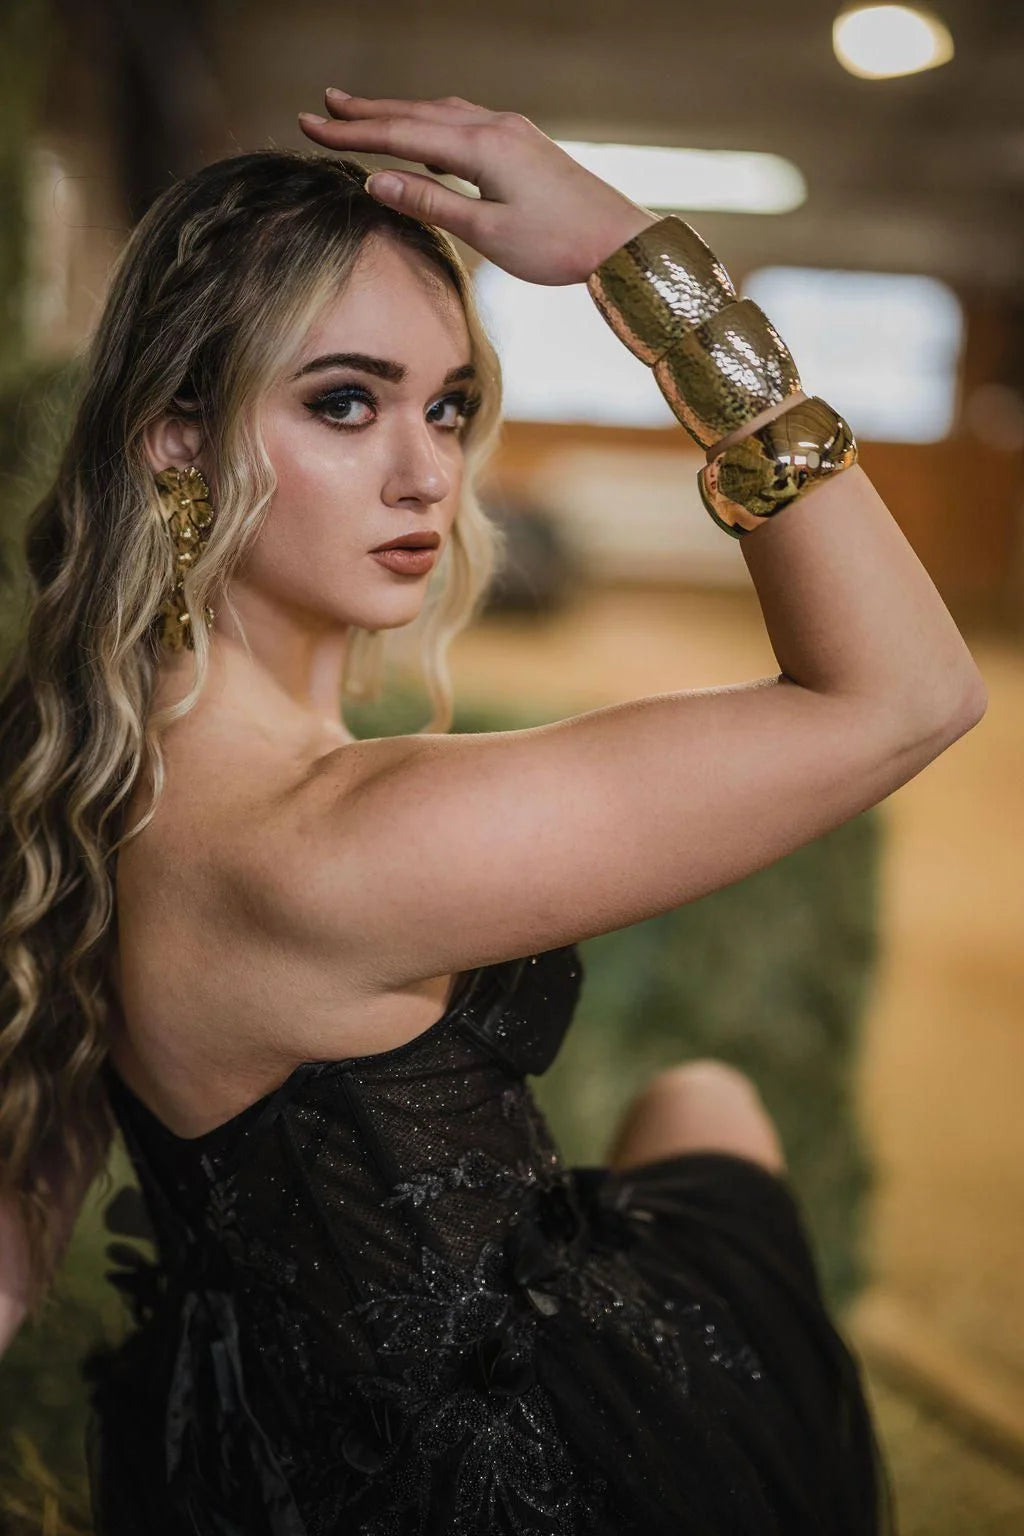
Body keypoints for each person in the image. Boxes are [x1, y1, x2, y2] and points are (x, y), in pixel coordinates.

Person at [0, 86, 987, 1535]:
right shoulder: (357, 840)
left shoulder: (85, 761)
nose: (427, 473)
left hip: (237, 1449)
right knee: (713, 1114)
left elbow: (36, 1168)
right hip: (508, 1474)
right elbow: (909, 692)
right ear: (177, 445)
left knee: (690, 1099)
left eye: (446, 404)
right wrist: (646, 272)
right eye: (344, 402)